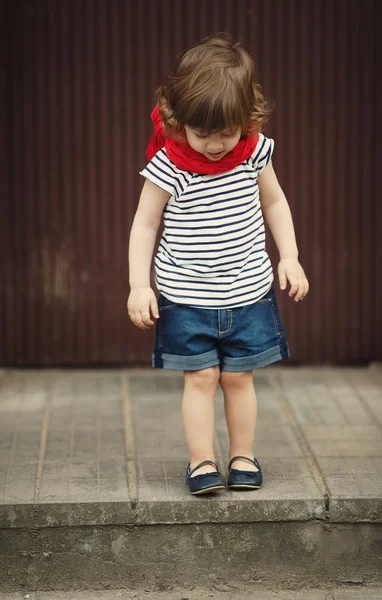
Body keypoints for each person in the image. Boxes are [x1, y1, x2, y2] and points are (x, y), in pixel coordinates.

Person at [127, 33, 309, 495]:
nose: (213, 144)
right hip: (187, 297)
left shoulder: (254, 152)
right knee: (202, 378)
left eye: (225, 133)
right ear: (178, 119)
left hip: (248, 291)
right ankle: (201, 462)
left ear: (246, 120)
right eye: (202, 133)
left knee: (238, 378)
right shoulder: (170, 162)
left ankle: (243, 456)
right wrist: (138, 285)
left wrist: (289, 256)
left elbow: (276, 203)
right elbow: (145, 225)